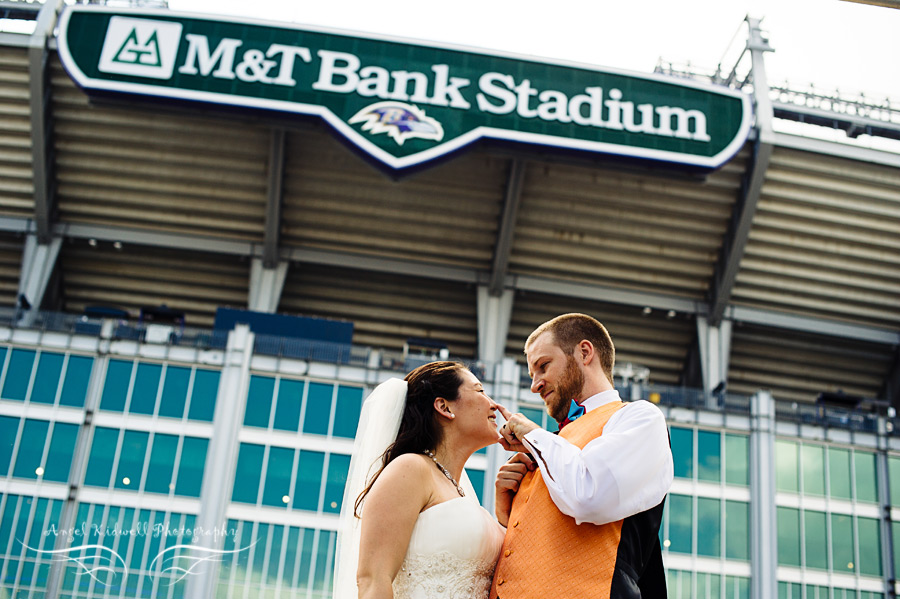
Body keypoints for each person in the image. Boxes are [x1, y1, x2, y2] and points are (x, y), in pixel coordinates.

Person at [491, 313, 674, 599]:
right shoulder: (550, 448)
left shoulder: (640, 417)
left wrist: (535, 435)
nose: (535, 385)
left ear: (585, 352)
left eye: (543, 366)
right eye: (532, 374)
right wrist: (507, 516)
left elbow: (589, 493)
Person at [333, 361, 505, 599]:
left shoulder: (461, 491)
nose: (494, 404)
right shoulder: (410, 468)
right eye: (480, 391)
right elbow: (373, 580)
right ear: (444, 406)